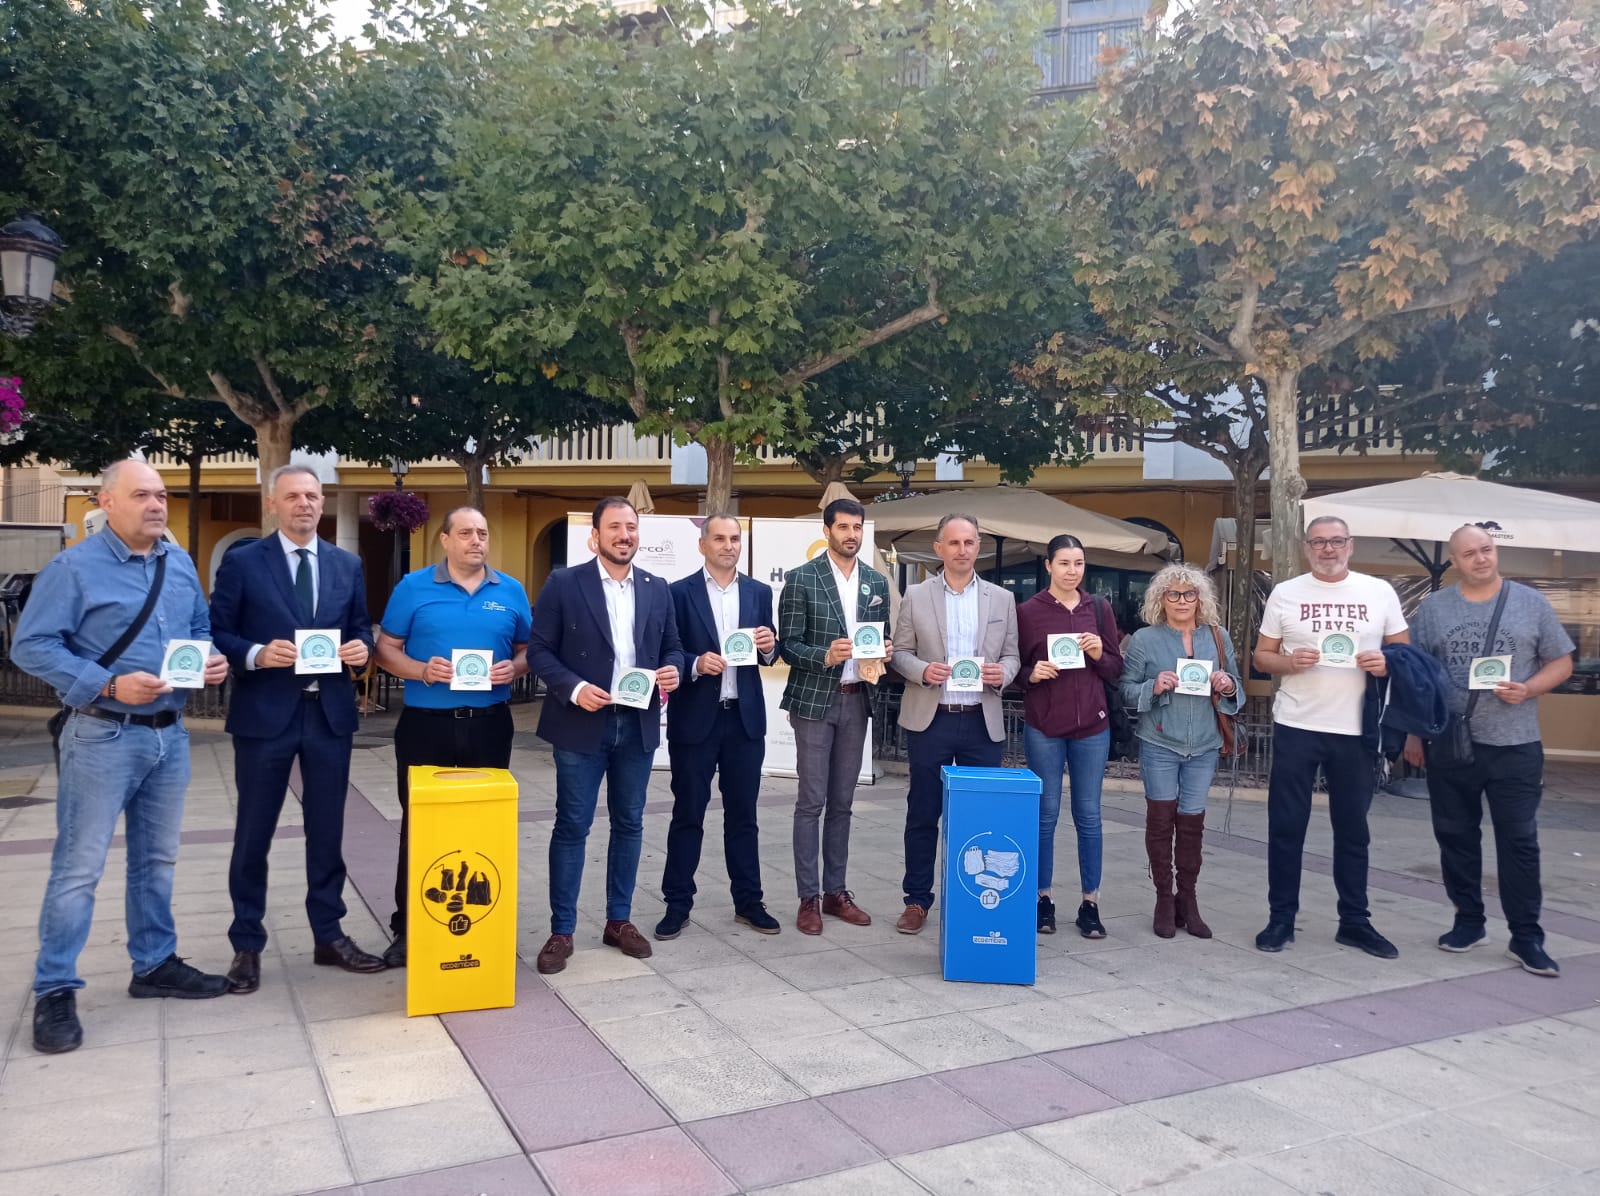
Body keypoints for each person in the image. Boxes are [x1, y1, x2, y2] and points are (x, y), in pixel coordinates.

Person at [13, 461, 232, 1053]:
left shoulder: (178, 560)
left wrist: (210, 659)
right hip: (102, 734)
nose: (157, 504)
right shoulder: (73, 568)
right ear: (107, 503)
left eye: (160, 495)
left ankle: (154, 963)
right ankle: (56, 988)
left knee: (156, 861)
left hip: (170, 733)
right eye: (142, 495)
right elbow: (29, 645)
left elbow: (198, 625)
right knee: (79, 870)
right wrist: (106, 684)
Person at [210, 464, 381, 994]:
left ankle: (328, 934)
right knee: (253, 834)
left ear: (323, 503)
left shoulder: (345, 564)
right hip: (265, 716)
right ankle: (246, 943)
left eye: (313, 495)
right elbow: (217, 632)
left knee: (327, 831)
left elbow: (358, 629)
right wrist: (258, 653)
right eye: (293, 496)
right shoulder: (243, 563)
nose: (304, 504)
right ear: (272, 504)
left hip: (327, 715)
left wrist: (361, 650)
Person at [1405, 525, 1574, 977]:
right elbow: (1418, 676)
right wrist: (1414, 734)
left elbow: (1562, 660)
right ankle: (1468, 921)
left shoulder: (1530, 603)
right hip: (1451, 742)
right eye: (1469, 553)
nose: (1481, 559)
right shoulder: (1435, 609)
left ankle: (1526, 937)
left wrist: (1530, 688)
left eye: (1487, 549)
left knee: (1519, 841)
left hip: (1515, 744)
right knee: (1456, 836)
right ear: (1456, 562)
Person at [526, 497, 685, 974]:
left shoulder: (658, 589)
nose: (625, 535)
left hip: (636, 724)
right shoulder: (564, 583)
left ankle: (619, 921)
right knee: (573, 826)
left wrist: (674, 670)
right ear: (595, 536)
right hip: (581, 722)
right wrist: (574, 689)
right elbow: (538, 651)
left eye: (632, 527)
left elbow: (673, 646)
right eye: (615, 527)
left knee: (631, 824)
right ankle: (562, 930)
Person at [373, 507, 532, 969]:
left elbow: (528, 651)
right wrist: (421, 670)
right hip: (427, 724)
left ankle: (482, 922)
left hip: (489, 723)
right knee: (421, 825)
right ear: (444, 540)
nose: (476, 541)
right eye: (465, 533)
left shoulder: (512, 591)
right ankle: (408, 927)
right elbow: (385, 649)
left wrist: (516, 667)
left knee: (485, 825)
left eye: (482, 533)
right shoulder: (413, 587)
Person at [1251, 516, 1408, 958]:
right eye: (1319, 542)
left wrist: (1385, 661)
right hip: (1297, 723)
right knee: (1286, 828)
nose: (1328, 549)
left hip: (1356, 728)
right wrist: (1288, 662)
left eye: (1336, 541)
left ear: (1350, 545)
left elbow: (1404, 651)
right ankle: (1281, 919)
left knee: (1353, 830)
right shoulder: (1286, 592)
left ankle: (1355, 922)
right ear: (1306, 548)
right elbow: (1262, 656)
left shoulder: (1378, 592)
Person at [889, 513, 1020, 935]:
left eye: (970, 542)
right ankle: (916, 900)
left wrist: (1006, 673)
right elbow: (899, 652)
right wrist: (923, 670)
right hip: (932, 719)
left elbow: (1013, 656)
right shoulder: (916, 594)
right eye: (955, 543)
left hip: (982, 723)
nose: (963, 550)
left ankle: (973, 897)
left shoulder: (1002, 598)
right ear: (939, 549)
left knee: (982, 818)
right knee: (923, 814)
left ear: (977, 546)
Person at [656, 514, 781, 940]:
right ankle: (677, 904)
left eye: (734, 539)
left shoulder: (759, 592)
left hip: (744, 720)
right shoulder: (677, 594)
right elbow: (667, 649)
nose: (729, 545)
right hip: (696, 720)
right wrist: (694, 663)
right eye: (720, 538)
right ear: (702, 545)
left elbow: (768, 651)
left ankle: (748, 902)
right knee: (687, 814)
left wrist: (769, 647)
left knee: (744, 816)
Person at [778, 497, 893, 934]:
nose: (852, 534)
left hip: (856, 699)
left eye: (858, 527)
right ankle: (807, 897)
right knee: (811, 802)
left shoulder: (875, 582)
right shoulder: (801, 579)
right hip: (813, 702)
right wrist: (824, 655)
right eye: (843, 527)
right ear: (827, 531)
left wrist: (883, 653)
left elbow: (877, 641)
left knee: (843, 803)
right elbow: (788, 644)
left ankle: (835, 892)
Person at [1119, 565, 1243, 939]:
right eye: (1173, 594)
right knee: (1160, 822)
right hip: (1160, 742)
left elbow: (1237, 688)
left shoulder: (1217, 637)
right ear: (1161, 599)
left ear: (1200, 599)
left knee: (1191, 824)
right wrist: (1152, 687)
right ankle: (1163, 899)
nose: (1182, 601)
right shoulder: (1145, 639)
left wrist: (1227, 684)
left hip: (1204, 745)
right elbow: (1124, 689)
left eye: (1189, 594)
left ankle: (1187, 899)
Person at [1017, 534, 1125, 937]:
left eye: (1078, 563)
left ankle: (1090, 902)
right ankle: (1041, 898)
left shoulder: (1098, 608)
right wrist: (1032, 673)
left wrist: (1099, 652)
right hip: (1044, 726)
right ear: (1048, 566)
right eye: (1064, 563)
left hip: (1092, 728)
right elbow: (1014, 670)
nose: (1072, 571)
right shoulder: (1028, 611)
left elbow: (1115, 668)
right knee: (1044, 816)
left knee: (1089, 816)